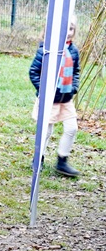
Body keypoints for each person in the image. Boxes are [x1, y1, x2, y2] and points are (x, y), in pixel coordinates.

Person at [29, 17, 81, 178]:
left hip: (66, 99)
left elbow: (76, 71)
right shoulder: (46, 49)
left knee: (72, 128)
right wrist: (44, 91)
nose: (67, 33)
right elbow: (34, 72)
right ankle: (39, 158)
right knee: (46, 130)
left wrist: (74, 88)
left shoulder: (73, 51)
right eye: (64, 29)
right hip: (49, 100)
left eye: (71, 29)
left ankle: (62, 161)